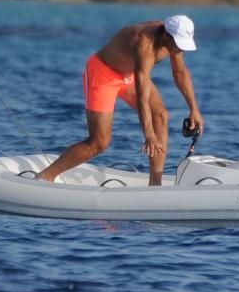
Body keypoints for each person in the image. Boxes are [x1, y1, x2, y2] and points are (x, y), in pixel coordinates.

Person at [39, 15, 204, 186]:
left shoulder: (173, 42)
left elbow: (179, 73)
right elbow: (142, 96)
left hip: (129, 74)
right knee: (99, 142)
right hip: (103, 74)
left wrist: (194, 109)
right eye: (178, 44)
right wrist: (149, 134)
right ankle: (45, 177)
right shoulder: (144, 44)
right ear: (166, 36)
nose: (180, 49)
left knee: (160, 115)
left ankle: (155, 185)